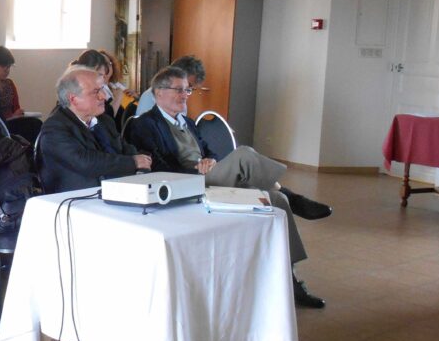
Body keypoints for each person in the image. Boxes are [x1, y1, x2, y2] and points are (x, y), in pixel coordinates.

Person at [128, 66, 330, 308]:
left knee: (276, 200)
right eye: (179, 90)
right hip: (184, 184)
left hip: (208, 177)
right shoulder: (144, 124)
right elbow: (158, 166)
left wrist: (210, 161)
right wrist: (196, 170)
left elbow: (210, 151)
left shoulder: (188, 122)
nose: (185, 95)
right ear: (159, 92)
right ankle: (295, 198)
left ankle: (291, 279)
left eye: (187, 90)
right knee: (244, 154)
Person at [39, 66, 150, 194]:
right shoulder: (54, 128)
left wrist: (141, 162)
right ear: (73, 99)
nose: (104, 96)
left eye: (102, 89)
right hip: (76, 199)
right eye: (95, 92)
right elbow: (85, 162)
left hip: (118, 192)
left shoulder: (104, 120)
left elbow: (125, 149)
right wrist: (133, 162)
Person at [135, 55, 206, 117]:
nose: (186, 95)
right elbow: (144, 126)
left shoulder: (180, 102)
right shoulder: (150, 97)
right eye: (187, 85)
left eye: (189, 89)